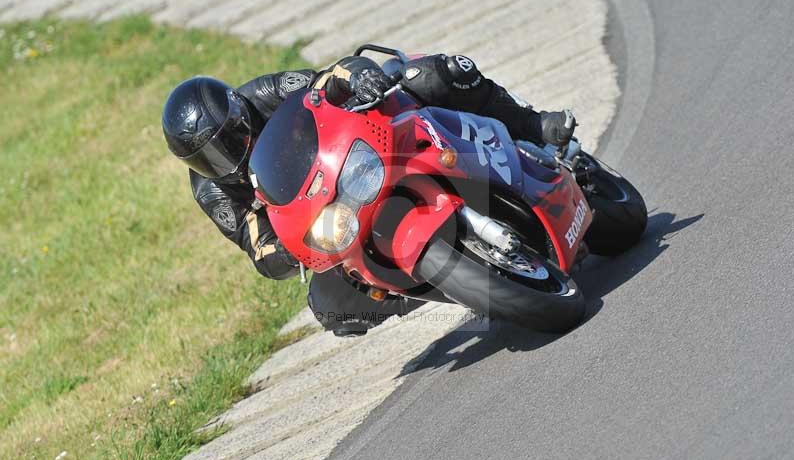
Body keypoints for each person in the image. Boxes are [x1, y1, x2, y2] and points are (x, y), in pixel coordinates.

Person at [161, 53, 576, 337]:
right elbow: (256, 245)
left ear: (238, 111)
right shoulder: (212, 192)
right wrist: (281, 253)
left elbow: (326, 81)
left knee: (433, 74)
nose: (227, 155)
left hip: (358, 155)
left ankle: (533, 125)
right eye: (210, 158)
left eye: (228, 138)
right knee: (329, 306)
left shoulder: (264, 93)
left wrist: (359, 76)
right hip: (334, 213)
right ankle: (456, 285)